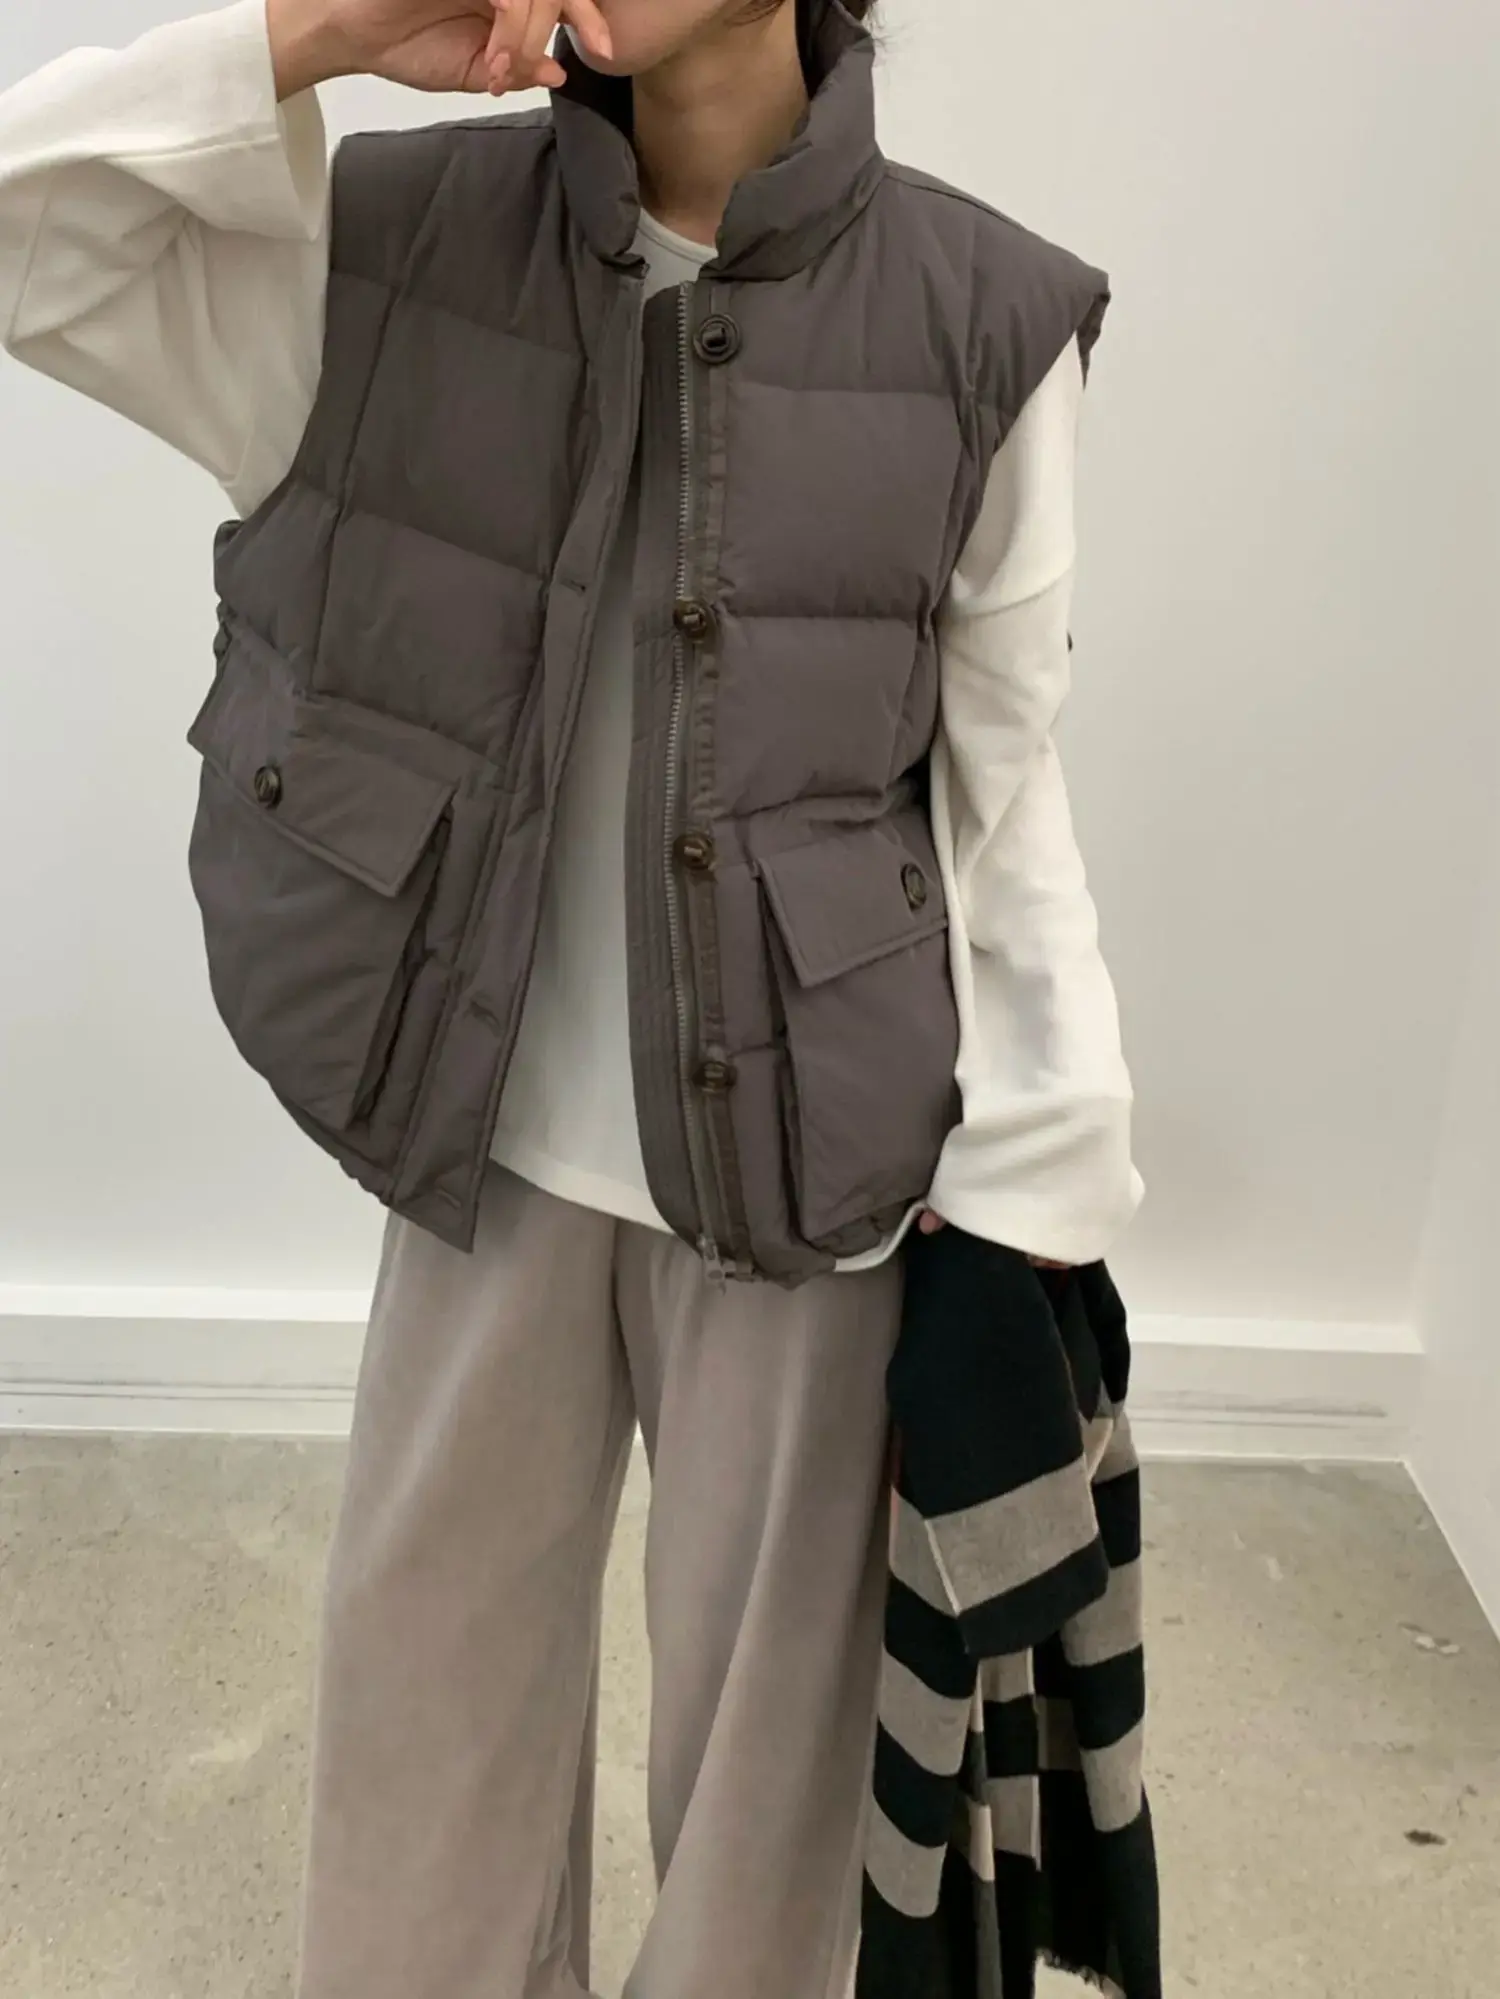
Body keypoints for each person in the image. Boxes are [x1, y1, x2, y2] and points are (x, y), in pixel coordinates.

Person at [0, 2, 1143, 1994]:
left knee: (772, 1816)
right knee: (417, 1732)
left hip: (812, 1190)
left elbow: (999, 791)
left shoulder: (983, 314)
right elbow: (30, 230)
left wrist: (1035, 1196)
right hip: (488, 1151)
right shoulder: (391, 244)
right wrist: (328, 27)